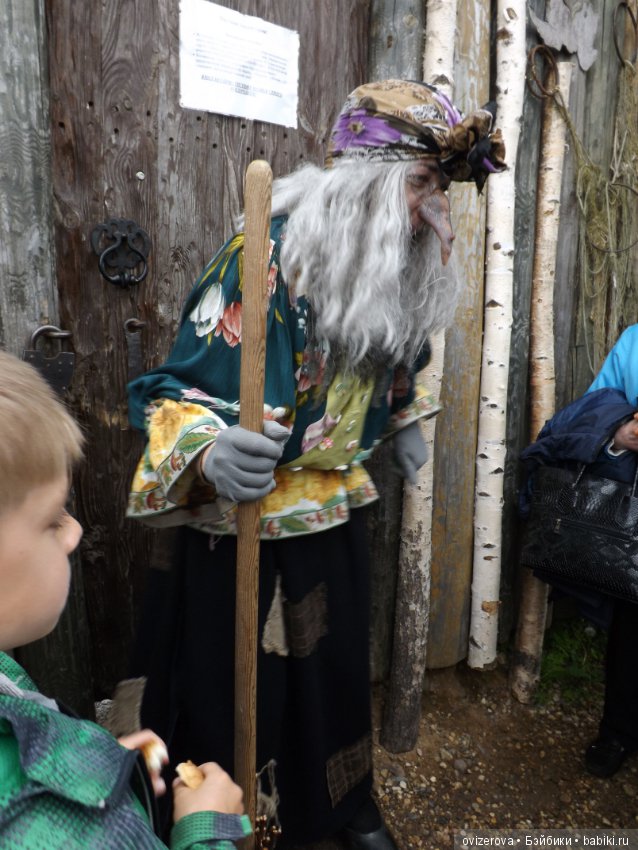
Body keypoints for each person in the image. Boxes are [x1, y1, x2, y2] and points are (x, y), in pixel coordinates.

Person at [126, 79, 505, 849]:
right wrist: (208, 449)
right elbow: (169, 388)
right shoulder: (264, 253)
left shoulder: (388, 260)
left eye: (439, 189)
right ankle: (226, 821)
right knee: (240, 690)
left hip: (333, 510)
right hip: (245, 523)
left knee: (331, 675)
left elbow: (399, 355)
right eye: (423, 184)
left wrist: (401, 416)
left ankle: (341, 808)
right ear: (367, 181)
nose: (434, 210)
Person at [0, 350, 251, 849]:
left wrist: (93, 760)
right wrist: (206, 830)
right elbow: (167, 391)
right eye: (53, 518)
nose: (74, 533)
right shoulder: (50, 820)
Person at [520, 325, 638, 780]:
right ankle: (620, 732)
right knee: (632, 632)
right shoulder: (634, 342)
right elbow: (593, 409)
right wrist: (619, 433)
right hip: (633, 528)